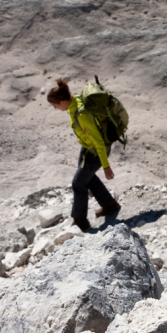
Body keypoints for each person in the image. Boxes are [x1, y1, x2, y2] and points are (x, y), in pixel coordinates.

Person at [48, 79, 121, 230]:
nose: (54, 108)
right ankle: (109, 204)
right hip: (87, 147)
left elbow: (99, 142)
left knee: (78, 183)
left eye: (54, 105)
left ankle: (80, 220)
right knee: (87, 177)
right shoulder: (74, 103)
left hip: (95, 151)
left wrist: (106, 166)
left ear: (62, 101)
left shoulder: (82, 114)